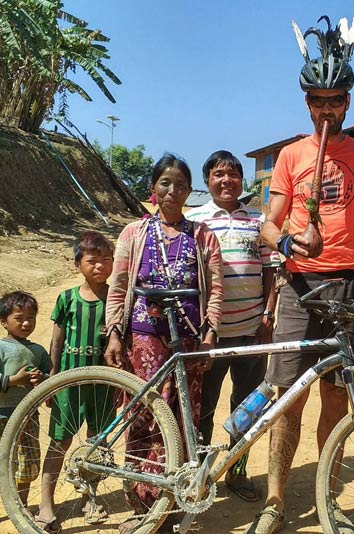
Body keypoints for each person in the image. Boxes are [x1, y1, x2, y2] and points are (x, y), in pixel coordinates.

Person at [251, 15, 354, 534]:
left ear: (347, 102)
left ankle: (326, 496)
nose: (326, 109)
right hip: (300, 287)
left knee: (338, 399)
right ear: (307, 103)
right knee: (288, 398)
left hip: (351, 287)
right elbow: (268, 225)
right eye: (318, 101)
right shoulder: (291, 156)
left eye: (334, 100)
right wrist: (287, 241)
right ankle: (275, 500)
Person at [104, 153, 223, 532]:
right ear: (153, 188)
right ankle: (142, 508)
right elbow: (118, 286)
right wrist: (114, 332)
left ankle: (172, 506)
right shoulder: (133, 233)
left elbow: (215, 290)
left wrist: (210, 334)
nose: (173, 191)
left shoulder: (203, 236)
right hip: (144, 340)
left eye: (181, 185)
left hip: (188, 340)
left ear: (189, 191)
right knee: (143, 419)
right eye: (165, 183)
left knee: (184, 420)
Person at [186, 150, 280, 502]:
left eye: (233, 174)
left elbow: (271, 271)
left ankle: (236, 472)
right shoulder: (194, 220)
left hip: (251, 332)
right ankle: (199, 474)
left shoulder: (258, 221)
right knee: (203, 407)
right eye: (218, 174)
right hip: (209, 336)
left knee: (248, 407)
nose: (226, 180)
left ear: (242, 180)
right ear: (207, 181)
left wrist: (267, 316)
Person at [37, 231, 116, 530]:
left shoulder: (116, 299)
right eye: (92, 261)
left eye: (106, 260)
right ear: (77, 264)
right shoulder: (67, 299)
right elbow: (56, 342)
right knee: (60, 440)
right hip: (69, 383)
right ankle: (46, 503)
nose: (100, 266)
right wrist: (51, 379)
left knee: (97, 442)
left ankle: (90, 497)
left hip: (104, 384)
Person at [0, 291, 50, 534]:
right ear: (3, 321)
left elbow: (49, 377)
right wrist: (14, 380)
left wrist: (41, 379)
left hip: (28, 417)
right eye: (19, 318)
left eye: (31, 318)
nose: (26, 323)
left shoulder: (38, 351)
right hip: (1, 416)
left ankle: (21, 506)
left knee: (26, 464)